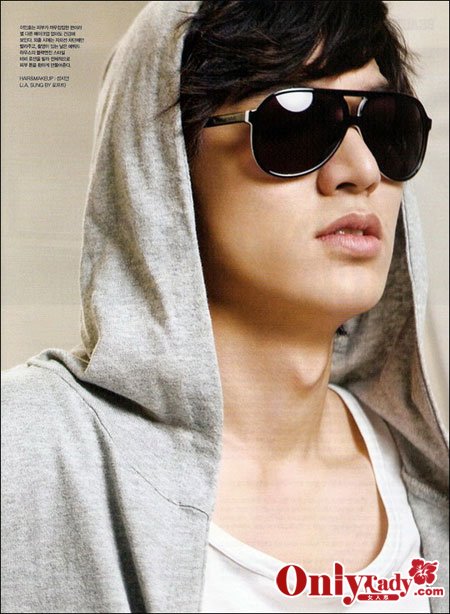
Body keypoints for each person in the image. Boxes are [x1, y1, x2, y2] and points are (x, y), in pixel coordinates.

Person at [1, 1, 448, 613]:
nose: (362, 170)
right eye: (296, 121)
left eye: (386, 124)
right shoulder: (27, 448)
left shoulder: (423, 480)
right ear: (163, 168)